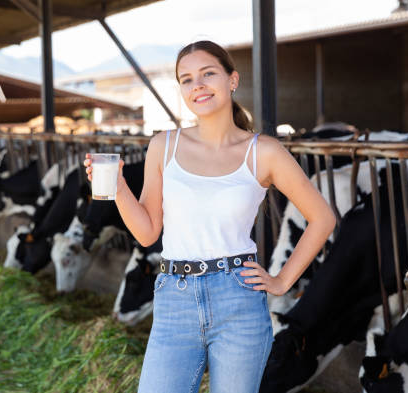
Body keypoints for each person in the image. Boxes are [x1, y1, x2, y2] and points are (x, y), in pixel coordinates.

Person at [84, 40, 335, 393]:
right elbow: (146, 232)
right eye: (186, 79)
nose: (197, 85)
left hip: (239, 298)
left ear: (232, 80)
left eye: (207, 74)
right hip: (175, 295)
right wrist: (119, 187)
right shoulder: (163, 145)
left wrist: (281, 281)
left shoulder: (263, 152)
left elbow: (322, 218)